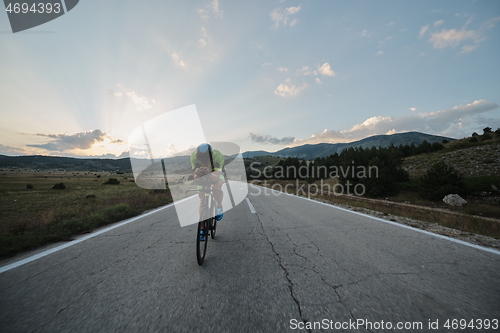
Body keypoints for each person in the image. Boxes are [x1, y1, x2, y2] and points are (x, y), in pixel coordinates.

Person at [190, 143, 225, 241]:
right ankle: (202, 227)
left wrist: (209, 173)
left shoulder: (218, 156)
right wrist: (197, 175)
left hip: (216, 173)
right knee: (202, 198)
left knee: (215, 187)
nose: (204, 163)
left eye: (206, 161)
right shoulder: (193, 157)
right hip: (204, 175)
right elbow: (196, 179)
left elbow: (215, 178)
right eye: (202, 162)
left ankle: (219, 205)